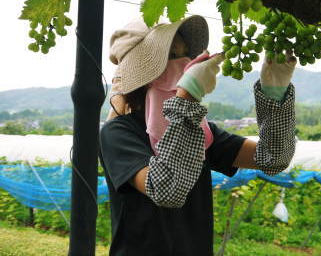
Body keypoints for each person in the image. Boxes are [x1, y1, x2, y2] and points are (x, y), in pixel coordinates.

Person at [99, 15, 297, 256]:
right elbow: (166, 189)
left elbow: (273, 158)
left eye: (185, 55)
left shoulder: (201, 132)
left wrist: (275, 96)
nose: (183, 63)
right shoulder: (118, 133)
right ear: (143, 71)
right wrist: (187, 98)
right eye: (171, 55)